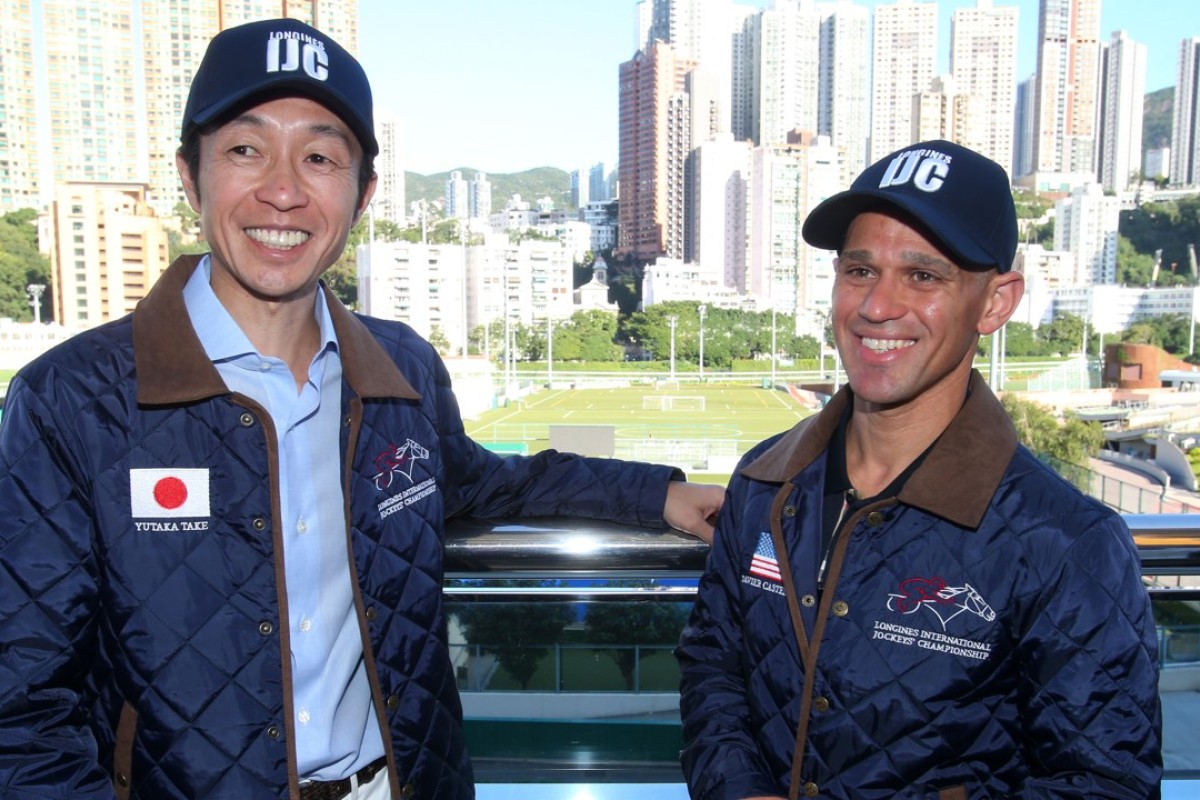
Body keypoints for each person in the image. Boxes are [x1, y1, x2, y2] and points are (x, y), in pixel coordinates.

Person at [0, 18, 723, 800]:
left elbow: (483, 484)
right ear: (190, 173)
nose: (283, 189)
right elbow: (21, 711)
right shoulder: (70, 402)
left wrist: (657, 495)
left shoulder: (400, 367)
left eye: (320, 157)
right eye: (246, 150)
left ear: (364, 192)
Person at [676, 139, 1161, 800]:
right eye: (859, 270)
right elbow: (715, 668)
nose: (877, 306)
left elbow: (1106, 786)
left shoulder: (1067, 545)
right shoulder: (763, 481)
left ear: (995, 303)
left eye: (922, 276)